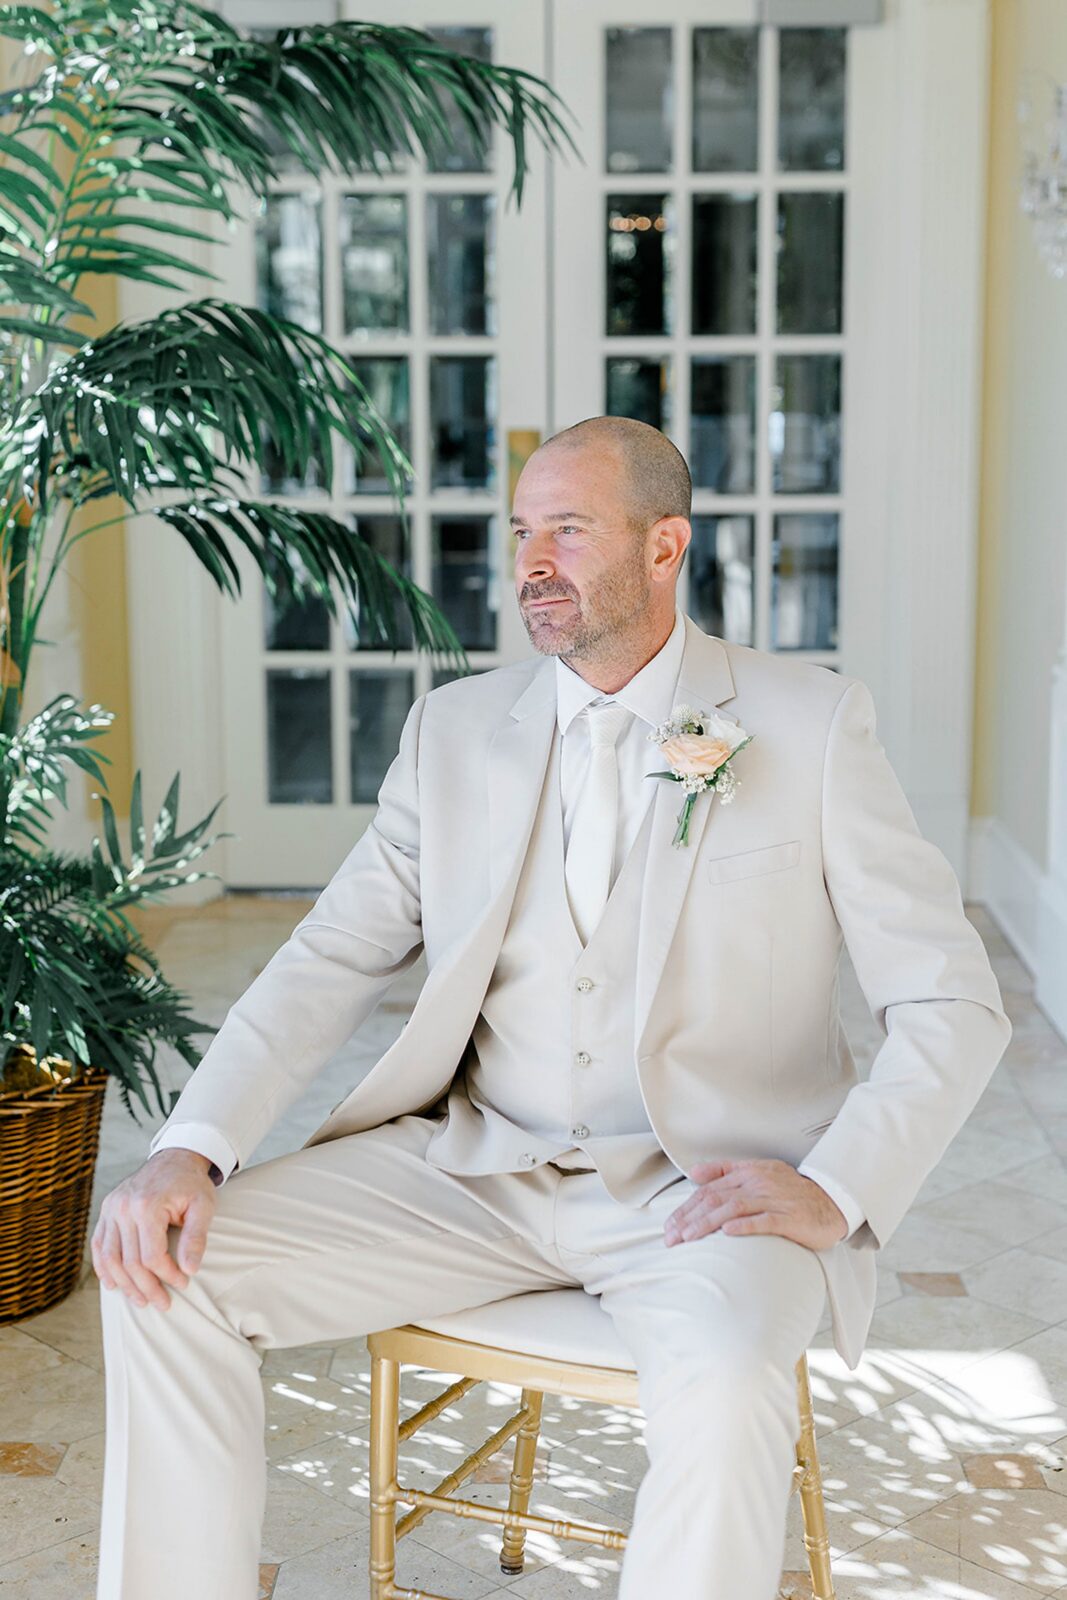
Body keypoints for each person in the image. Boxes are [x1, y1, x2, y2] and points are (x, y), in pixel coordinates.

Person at [92, 415, 1011, 1600]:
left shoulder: (809, 724)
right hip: (476, 1172)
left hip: (704, 1199)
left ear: (664, 544)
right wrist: (191, 1149)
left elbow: (950, 997)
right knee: (167, 1270)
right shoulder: (454, 731)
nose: (530, 560)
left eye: (567, 530)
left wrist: (835, 1187)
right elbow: (330, 952)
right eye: (522, 530)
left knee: (731, 1384)